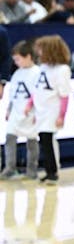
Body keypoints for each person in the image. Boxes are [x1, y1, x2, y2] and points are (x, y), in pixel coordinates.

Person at [26, 35, 72, 184]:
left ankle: (53, 171)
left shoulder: (62, 70)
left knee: (48, 140)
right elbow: (36, 90)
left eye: (41, 50)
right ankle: (48, 170)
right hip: (40, 111)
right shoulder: (43, 68)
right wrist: (30, 106)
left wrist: (62, 115)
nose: (38, 53)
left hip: (52, 111)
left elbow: (64, 95)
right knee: (43, 141)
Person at [2, 40, 40, 180]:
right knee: (10, 137)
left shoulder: (37, 72)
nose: (16, 62)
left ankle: (32, 170)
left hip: (31, 113)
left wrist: (36, 111)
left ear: (28, 56)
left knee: (31, 140)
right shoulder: (17, 73)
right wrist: (9, 109)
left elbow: (39, 93)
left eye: (18, 59)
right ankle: (10, 168)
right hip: (16, 111)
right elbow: (13, 94)